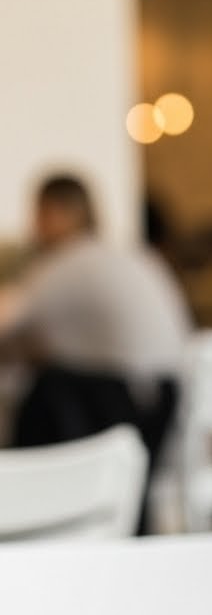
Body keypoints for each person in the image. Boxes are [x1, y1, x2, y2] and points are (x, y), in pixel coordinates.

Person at [0, 173, 191, 478]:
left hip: (125, 404)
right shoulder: (129, 253)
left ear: (56, 213)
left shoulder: (66, 260)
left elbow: (6, 316)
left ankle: (31, 502)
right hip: (167, 399)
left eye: (38, 214)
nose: (32, 227)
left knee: (45, 390)